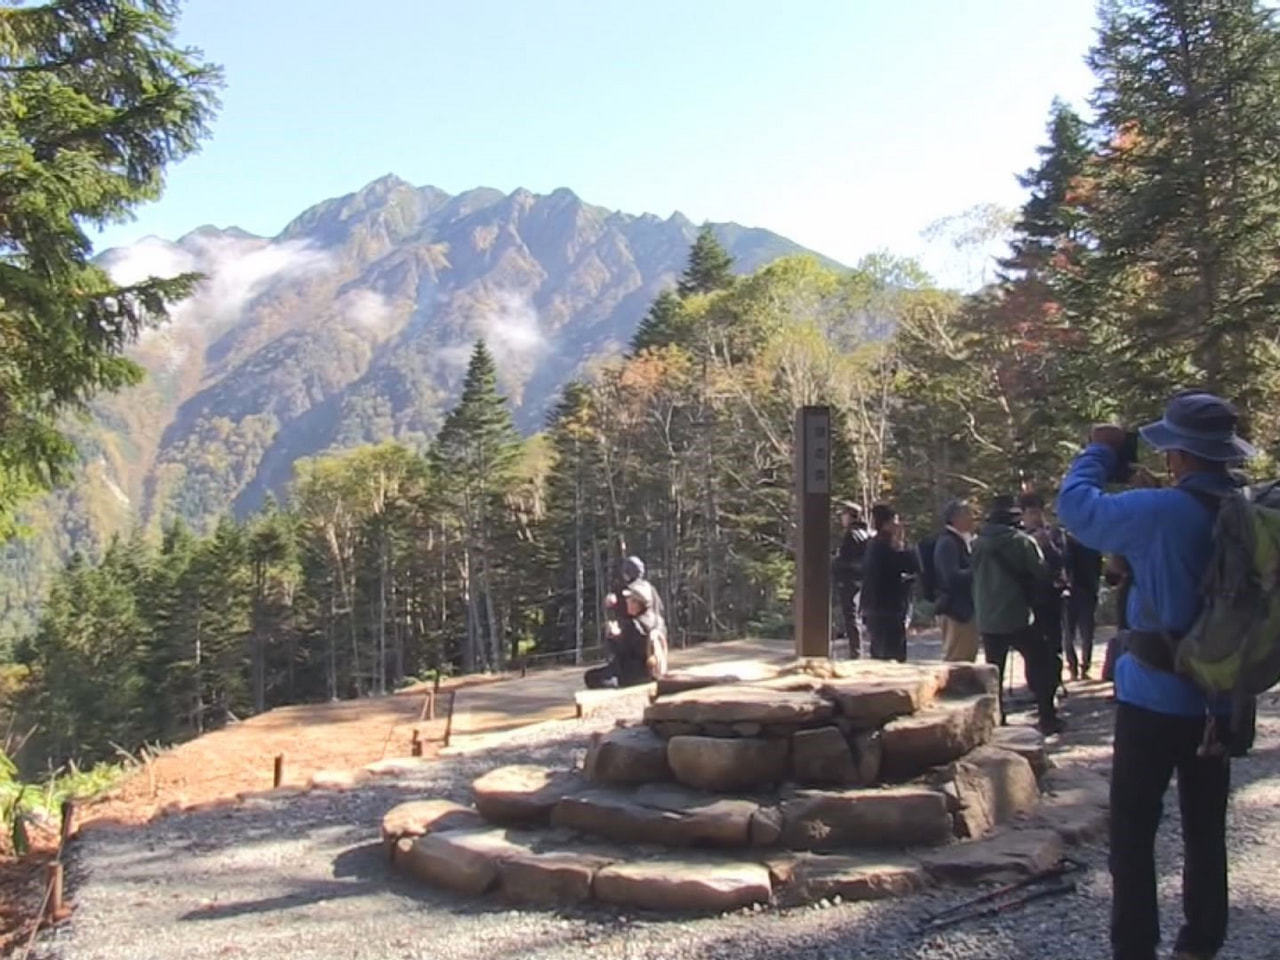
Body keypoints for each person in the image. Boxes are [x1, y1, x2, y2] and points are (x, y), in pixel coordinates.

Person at [1057, 391, 1253, 960]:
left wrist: (1098, 452)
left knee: (1134, 834)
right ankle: (1200, 944)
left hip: (1153, 700)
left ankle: (1135, 947)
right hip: (1220, 701)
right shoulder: (1241, 510)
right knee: (1205, 832)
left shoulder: (1159, 511)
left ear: (1181, 456)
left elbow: (1078, 508)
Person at [971, 494, 1063, 734]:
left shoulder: (977, 543)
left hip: (988, 617)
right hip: (1018, 615)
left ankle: (994, 721)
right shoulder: (1022, 542)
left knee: (994, 673)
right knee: (1040, 662)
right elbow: (1041, 573)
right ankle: (1047, 717)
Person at [1019, 493, 1069, 692]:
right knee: (1032, 646)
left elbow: (1063, 561)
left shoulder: (1055, 534)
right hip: (1028, 598)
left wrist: (1047, 545)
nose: (1035, 517)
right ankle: (1035, 685)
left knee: (1054, 643)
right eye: (1030, 513)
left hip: (1051, 596)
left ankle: (1055, 682)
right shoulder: (1019, 537)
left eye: (1038, 512)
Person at [859, 504, 917, 662]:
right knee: (891, 658)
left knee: (879, 655)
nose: (898, 525)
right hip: (887, 610)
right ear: (887, 524)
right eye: (895, 521)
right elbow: (909, 564)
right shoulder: (885, 546)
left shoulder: (873, 544)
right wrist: (902, 543)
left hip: (875, 609)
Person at [933, 499, 979, 662]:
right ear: (955, 518)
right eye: (967, 514)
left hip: (964, 609)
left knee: (967, 655)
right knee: (957, 659)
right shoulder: (948, 542)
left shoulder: (962, 541)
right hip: (956, 612)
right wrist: (976, 571)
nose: (972, 518)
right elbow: (950, 577)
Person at [832, 502, 870, 658]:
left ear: (850, 516)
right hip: (861, 579)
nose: (842, 518)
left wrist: (834, 561)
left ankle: (856, 651)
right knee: (856, 615)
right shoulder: (865, 533)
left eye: (843, 515)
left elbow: (847, 559)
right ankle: (857, 650)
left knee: (851, 615)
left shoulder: (851, 534)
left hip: (849, 580)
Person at [1064, 532, 1103, 679]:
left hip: (1079, 592)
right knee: (1079, 634)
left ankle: (1079, 668)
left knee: (1077, 634)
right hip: (1080, 593)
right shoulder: (1092, 546)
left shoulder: (1066, 545)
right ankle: (1079, 668)